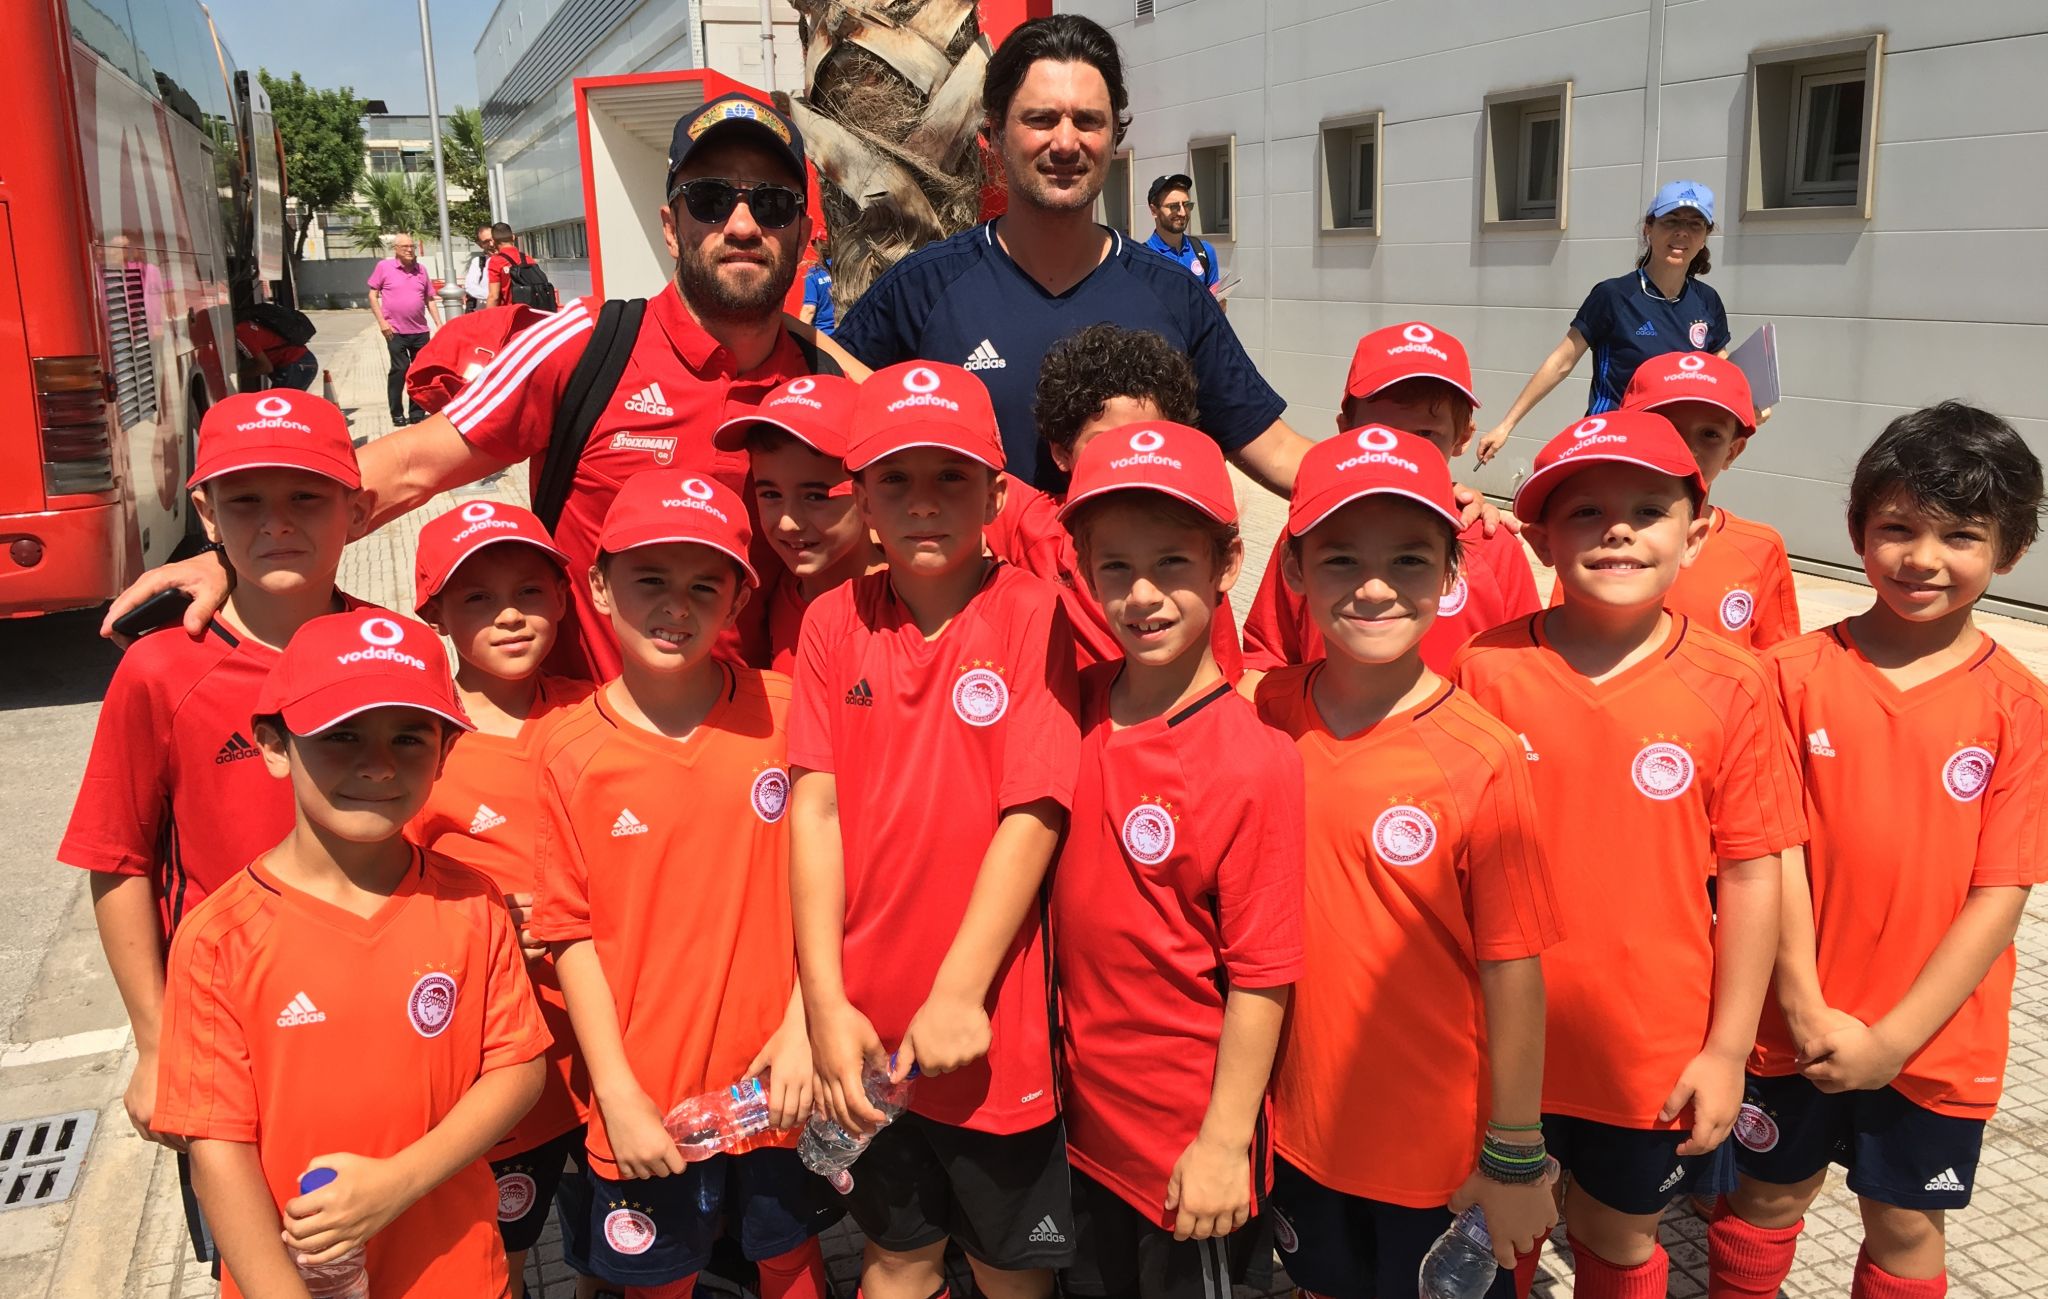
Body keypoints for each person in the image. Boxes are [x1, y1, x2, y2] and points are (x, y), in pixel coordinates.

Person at [105, 92, 863, 681]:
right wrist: (236, 555)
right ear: (671, 225)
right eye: (710, 199)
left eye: (772, 203)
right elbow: (411, 466)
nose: (741, 225)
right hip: (590, 753)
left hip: (768, 759)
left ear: (802, 234)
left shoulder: (829, 381)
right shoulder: (588, 346)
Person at [1453, 410, 1805, 1299]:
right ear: (1540, 537)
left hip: (1647, 1048)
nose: (1618, 530)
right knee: (1498, 1230)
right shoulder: (1483, 668)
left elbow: (1753, 873)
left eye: (1648, 511)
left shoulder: (1735, 682)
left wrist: (1727, 1049)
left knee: (1616, 1236)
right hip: (1496, 1044)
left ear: (1696, 534)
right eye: (1586, 512)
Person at [1709, 404, 2047, 1299]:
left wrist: (1894, 1040)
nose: (1922, 557)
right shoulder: (1784, 677)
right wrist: (1805, 1005)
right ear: (1858, 529)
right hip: (1787, 1023)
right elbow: (1769, 852)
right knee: (1766, 1197)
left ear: (2010, 550)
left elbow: (2002, 892)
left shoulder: (2020, 708)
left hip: (1933, 1039)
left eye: (1960, 535)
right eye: (1898, 527)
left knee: (1905, 1222)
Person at [150, 610, 548, 1298]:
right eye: (341, 735)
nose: (379, 764)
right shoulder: (218, 939)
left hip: (459, 1270)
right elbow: (216, 1150)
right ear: (274, 745)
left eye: (409, 737)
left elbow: (517, 1069)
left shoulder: (471, 900)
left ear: (446, 752)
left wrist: (399, 1182)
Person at [789, 362, 1081, 1299]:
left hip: (994, 1030)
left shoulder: (1036, 612)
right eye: (896, 479)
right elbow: (816, 810)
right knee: (896, 1257)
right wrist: (823, 1004)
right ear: (861, 500)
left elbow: (1035, 811)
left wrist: (960, 991)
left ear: (996, 494)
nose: (923, 501)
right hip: (865, 1032)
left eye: (951, 476)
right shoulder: (832, 621)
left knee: (1010, 1270)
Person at [57, 391, 370, 1264]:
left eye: (306, 497)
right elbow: (116, 859)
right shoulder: (161, 670)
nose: (277, 523)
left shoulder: (391, 647)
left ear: (355, 508)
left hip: (377, 1007)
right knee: (263, 1258)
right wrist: (158, 1044)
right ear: (205, 513)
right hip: (232, 1041)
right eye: (246, 500)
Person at [1254, 427, 1562, 1299]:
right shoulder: (1263, 710)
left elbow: (1515, 965)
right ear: (1293, 570)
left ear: (1452, 574)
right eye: (1340, 559)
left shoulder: (1481, 752)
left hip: (1437, 1152)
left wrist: (1514, 1151)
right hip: (1302, 1130)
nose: (1376, 586)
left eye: (1411, 560)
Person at [532, 471, 838, 1298]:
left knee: (791, 1258)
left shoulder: (786, 713)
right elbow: (568, 935)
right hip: (651, 1094)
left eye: (705, 584)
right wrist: (616, 1094)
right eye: (650, 579)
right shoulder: (568, 751)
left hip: (779, 1078)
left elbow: (834, 880)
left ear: (740, 597)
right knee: (659, 1279)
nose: (677, 605)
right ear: (599, 586)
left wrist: (805, 1022)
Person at [833, 14, 1311, 492]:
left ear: (1114, 135)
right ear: (994, 133)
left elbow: (1276, 451)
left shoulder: (1174, 295)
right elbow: (826, 407)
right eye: (1041, 119)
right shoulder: (923, 289)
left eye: (1088, 121)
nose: (1065, 143)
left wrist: (1359, 472)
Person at [1049, 422, 1303, 1299]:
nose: (1143, 594)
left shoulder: (1254, 758)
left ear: (1228, 563)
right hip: (1080, 1130)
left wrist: (1225, 1142)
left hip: (1186, 1149)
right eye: (1116, 566)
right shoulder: (1071, 705)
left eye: (1172, 564)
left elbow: (1264, 976)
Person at [404, 501, 597, 1299]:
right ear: (435, 613)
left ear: (564, 597)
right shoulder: (419, 744)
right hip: (504, 1068)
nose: (510, 614)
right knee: (497, 1252)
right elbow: (391, 897)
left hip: (614, 1050)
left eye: (529, 590)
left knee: (621, 1241)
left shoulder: (603, 710)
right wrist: (479, 926)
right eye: (478, 598)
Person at [1240, 322, 1542, 677]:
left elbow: (1524, 671)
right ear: (1345, 429)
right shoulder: (1311, 529)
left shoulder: (1492, 544)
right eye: (1381, 433)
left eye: (1425, 434)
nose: (1400, 450)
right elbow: (1268, 656)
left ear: (1462, 437)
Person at [984, 323, 1244, 673]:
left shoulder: (1194, 542)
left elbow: (1225, 671)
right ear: (1061, 453)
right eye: (1104, 443)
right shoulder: (1030, 520)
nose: (1129, 455)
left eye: (1146, 436)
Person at [1544, 351, 1798, 652]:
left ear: (1732, 451)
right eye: (1666, 427)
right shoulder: (1595, 540)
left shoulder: (1761, 548)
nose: (1686, 446)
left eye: (1710, 434)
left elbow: (1773, 662)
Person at [1475, 180, 1731, 465]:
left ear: (1705, 237)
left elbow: (1721, 368)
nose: (1682, 231)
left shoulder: (1707, 300)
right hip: (1613, 443)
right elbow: (1561, 361)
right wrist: (1506, 425)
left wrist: (1748, 404)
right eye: (1671, 220)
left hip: (1675, 448)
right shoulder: (1614, 295)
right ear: (1649, 228)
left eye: (1695, 224)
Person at [711, 374, 883, 671]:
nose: (788, 523)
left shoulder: (914, 601)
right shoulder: (773, 592)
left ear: (869, 494)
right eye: (770, 494)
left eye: (815, 496)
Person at [368, 234, 444, 426]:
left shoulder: (421, 270)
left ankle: (417, 412)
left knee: (419, 373)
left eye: (411, 246)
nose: (409, 250)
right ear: (396, 249)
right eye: (405, 247)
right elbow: (372, 295)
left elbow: (429, 298)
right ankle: (397, 413)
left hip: (420, 331)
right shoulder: (384, 267)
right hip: (395, 331)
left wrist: (439, 324)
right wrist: (382, 323)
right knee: (400, 370)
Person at [1142, 173, 1222, 309]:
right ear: (1154, 210)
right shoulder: (1142, 259)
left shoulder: (1204, 251)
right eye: (1174, 206)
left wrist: (1218, 309)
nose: (1183, 213)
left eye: (1186, 205)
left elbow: (1214, 303)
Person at [488, 222, 556, 312]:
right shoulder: (528, 259)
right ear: (513, 237)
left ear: (492, 242)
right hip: (532, 312)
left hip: (510, 313)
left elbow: (494, 297)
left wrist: (488, 318)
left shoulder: (496, 261)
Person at [799, 239, 835, 335]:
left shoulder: (814, 273)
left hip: (822, 335)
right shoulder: (843, 269)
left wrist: (798, 336)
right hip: (844, 333)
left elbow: (809, 309)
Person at [463, 223, 497, 312]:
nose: (491, 244)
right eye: (486, 242)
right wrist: (493, 296)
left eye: (493, 239)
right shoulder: (478, 262)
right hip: (484, 314)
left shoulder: (511, 260)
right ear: (480, 244)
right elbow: (470, 286)